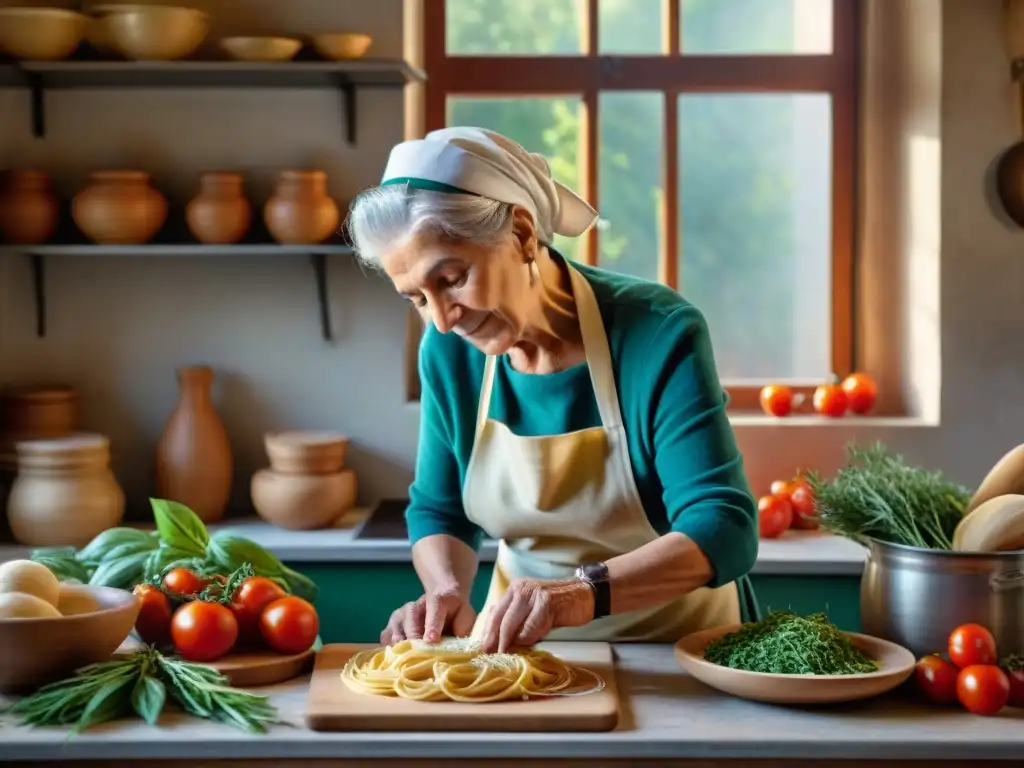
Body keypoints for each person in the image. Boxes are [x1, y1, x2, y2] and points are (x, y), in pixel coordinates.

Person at [347, 126, 760, 653]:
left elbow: (723, 526)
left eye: (451, 278)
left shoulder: (656, 332)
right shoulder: (448, 352)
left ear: (521, 235)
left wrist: (578, 594)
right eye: (417, 299)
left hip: (680, 654)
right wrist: (447, 589)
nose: (443, 320)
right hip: (518, 653)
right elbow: (439, 509)